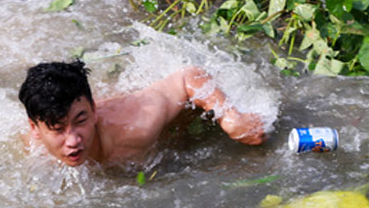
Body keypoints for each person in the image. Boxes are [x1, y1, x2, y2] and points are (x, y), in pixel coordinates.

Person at [18, 60, 269, 168]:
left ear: (93, 110)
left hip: (175, 125)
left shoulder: (135, 124)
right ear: (35, 129)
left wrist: (229, 116)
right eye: (58, 129)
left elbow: (188, 75)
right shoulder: (35, 150)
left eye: (80, 121)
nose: (72, 140)